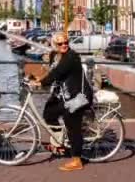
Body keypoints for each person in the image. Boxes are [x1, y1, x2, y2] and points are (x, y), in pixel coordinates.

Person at [31, 31, 93, 171]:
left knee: (72, 125)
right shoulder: (54, 55)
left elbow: (57, 73)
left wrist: (41, 84)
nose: (64, 45)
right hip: (63, 95)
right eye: (60, 43)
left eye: (66, 42)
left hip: (77, 96)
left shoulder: (71, 57)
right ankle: (59, 142)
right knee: (49, 113)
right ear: (54, 44)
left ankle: (77, 160)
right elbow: (51, 71)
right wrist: (38, 79)